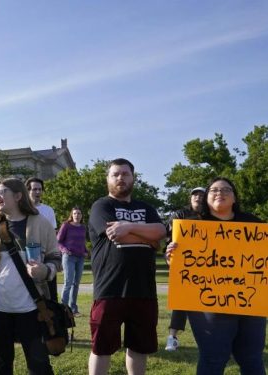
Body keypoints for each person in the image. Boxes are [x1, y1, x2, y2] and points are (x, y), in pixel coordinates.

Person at [165, 177, 266, 375]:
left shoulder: (253, 223)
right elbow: (178, 263)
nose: (220, 193)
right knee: (213, 358)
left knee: (252, 359)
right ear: (206, 198)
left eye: (226, 189)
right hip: (208, 304)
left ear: (235, 197)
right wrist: (172, 257)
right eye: (214, 190)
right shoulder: (191, 227)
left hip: (250, 302)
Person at [0, 178, 61, 375]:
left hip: (34, 309)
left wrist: (45, 270)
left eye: (2, 192)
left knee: (39, 365)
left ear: (18, 196)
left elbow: (56, 258)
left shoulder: (41, 223)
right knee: (1, 365)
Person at [87, 158, 166, 375]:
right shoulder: (101, 206)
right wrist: (147, 237)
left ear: (133, 178)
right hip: (110, 289)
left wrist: (128, 227)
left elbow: (160, 231)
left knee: (139, 347)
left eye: (125, 173)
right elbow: (116, 236)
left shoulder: (146, 208)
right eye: (115, 174)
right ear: (108, 179)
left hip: (144, 290)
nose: (120, 178)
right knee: (101, 348)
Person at [165, 186, 205, 352]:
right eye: (194, 194)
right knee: (180, 301)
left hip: (208, 264)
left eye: (201, 195)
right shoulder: (180, 215)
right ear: (190, 198)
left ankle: (210, 337)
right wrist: (170, 248)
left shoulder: (212, 216)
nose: (198, 197)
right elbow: (169, 235)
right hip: (184, 263)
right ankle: (172, 337)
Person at [26, 177, 59, 302]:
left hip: (46, 256)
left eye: (40, 189)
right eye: (34, 189)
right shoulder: (21, 210)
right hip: (28, 257)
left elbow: (53, 234)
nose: (38, 192)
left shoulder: (48, 210)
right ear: (28, 191)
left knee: (50, 295)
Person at [57, 206, 88, 317]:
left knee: (76, 284)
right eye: (75, 213)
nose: (77, 215)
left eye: (79, 213)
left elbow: (82, 242)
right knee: (68, 283)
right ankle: (64, 309)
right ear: (72, 215)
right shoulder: (66, 225)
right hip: (68, 257)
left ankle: (74, 309)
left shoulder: (83, 227)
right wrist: (65, 250)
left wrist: (85, 251)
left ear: (81, 215)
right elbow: (58, 241)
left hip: (80, 258)